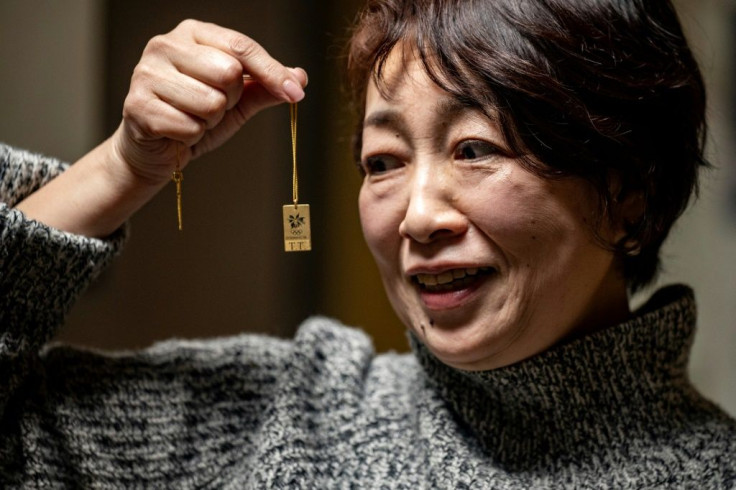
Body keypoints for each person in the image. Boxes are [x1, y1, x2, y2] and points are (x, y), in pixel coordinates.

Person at [1, 0, 735, 487]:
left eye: (475, 149)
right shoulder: (284, 414)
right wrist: (121, 167)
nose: (416, 217)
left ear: (626, 196)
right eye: (382, 161)